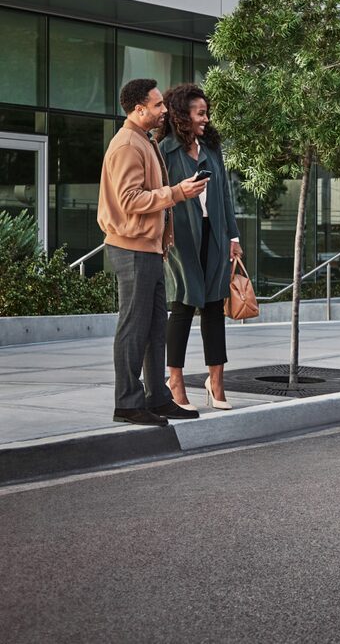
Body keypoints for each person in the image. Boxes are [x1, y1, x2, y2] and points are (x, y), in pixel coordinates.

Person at [99, 78, 208, 426]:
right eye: (157, 104)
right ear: (138, 108)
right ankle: (128, 403)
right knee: (133, 328)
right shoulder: (127, 145)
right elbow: (129, 200)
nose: (164, 110)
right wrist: (177, 192)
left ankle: (157, 397)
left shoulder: (143, 141)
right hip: (132, 249)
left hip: (148, 249)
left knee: (154, 328)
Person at [157, 84, 242, 411]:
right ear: (182, 115)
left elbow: (224, 196)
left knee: (213, 307)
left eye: (206, 113)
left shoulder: (210, 148)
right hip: (182, 238)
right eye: (200, 113)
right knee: (181, 305)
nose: (206, 118)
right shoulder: (164, 150)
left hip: (215, 234)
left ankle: (215, 380)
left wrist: (233, 237)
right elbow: (162, 197)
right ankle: (175, 381)